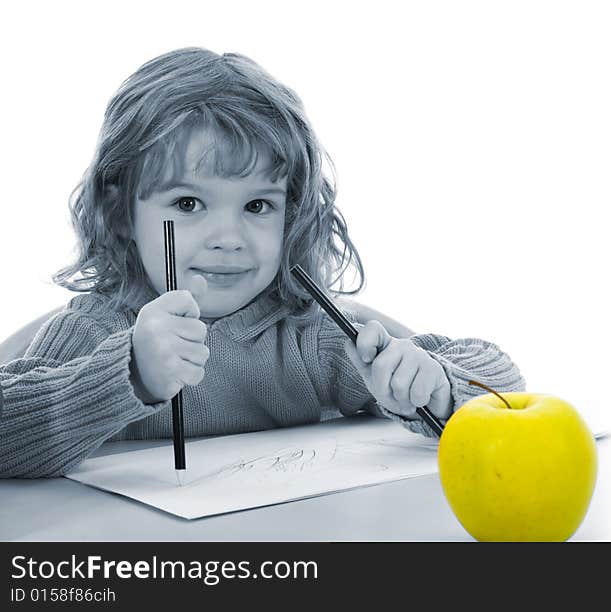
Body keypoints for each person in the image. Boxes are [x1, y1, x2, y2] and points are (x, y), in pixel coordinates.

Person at [0, 47, 525, 478]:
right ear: (119, 213)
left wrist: (433, 384)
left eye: (257, 206)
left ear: (290, 214)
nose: (229, 239)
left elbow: (504, 384)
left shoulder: (306, 336)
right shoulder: (91, 332)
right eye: (188, 204)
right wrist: (130, 375)